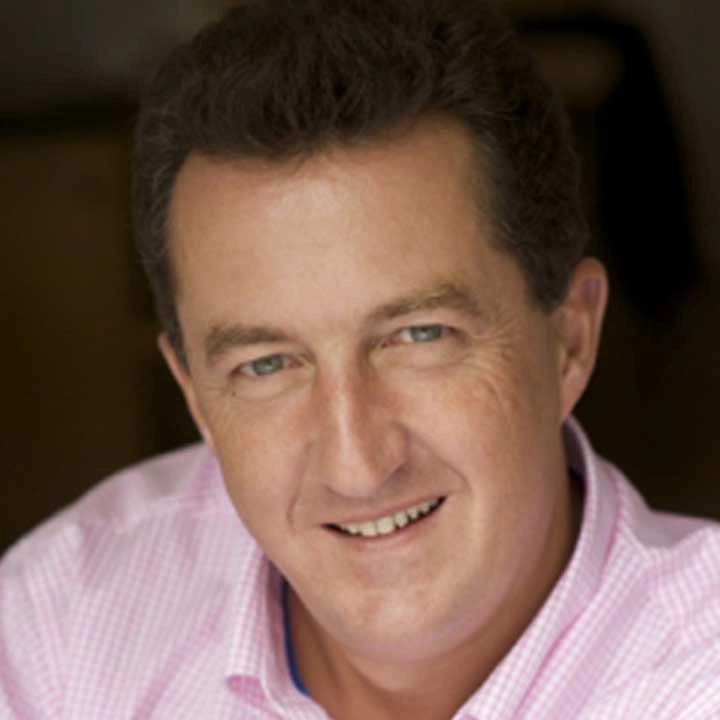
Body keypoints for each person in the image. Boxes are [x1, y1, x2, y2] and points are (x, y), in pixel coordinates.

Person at [2, 1, 719, 717]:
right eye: (266, 365)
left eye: (420, 335)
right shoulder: (64, 620)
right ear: (195, 396)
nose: (358, 468)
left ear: (570, 338)